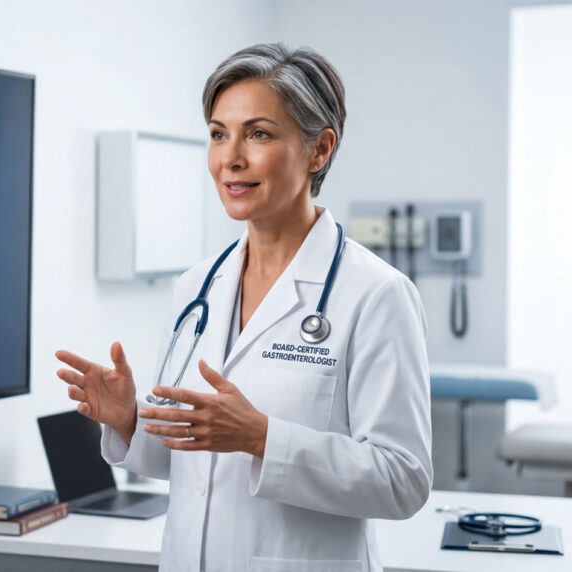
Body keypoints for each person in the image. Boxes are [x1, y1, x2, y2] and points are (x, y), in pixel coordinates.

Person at [56, 43, 431, 572]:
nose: (230, 158)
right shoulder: (196, 288)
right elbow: (193, 465)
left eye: (258, 134)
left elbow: (405, 479)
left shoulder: (375, 294)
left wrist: (263, 438)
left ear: (319, 150)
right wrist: (130, 420)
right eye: (217, 134)